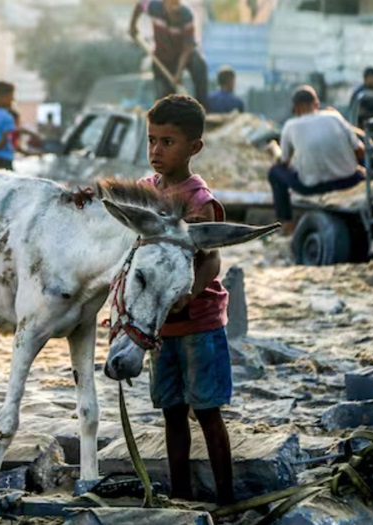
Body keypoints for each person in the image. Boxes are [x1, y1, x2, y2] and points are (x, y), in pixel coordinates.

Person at [138, 94, 234, 504]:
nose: (157, 151)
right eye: (152, 140)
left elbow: (211, 262)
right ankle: (180, 497)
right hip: (161, 324)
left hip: (198, 322)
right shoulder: (144, 191)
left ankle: (227, 499)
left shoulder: (200, 201)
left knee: (207, 413)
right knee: (171, 413)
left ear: (194, 147)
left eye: (168, 142)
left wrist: (186, 295)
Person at [268, 86, 365, 234]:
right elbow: (360, 150)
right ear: (317, 104)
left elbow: (284, 161)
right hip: (349, 180)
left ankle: (286, 223)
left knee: (275, 172)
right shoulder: (335, 117)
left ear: (296, 108)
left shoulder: (290, 125)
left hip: (314, 186)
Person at [129, 0, 208, 107]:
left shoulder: (186, 16)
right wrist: (132, 26)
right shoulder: (154, 7)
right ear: (165, 4)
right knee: (164, 94)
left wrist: (179, 73)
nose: (175, 17)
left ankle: (202, 109)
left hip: (182, 55)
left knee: (199, 64)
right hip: (163, 57)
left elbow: (187, 49)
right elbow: (139, 5)